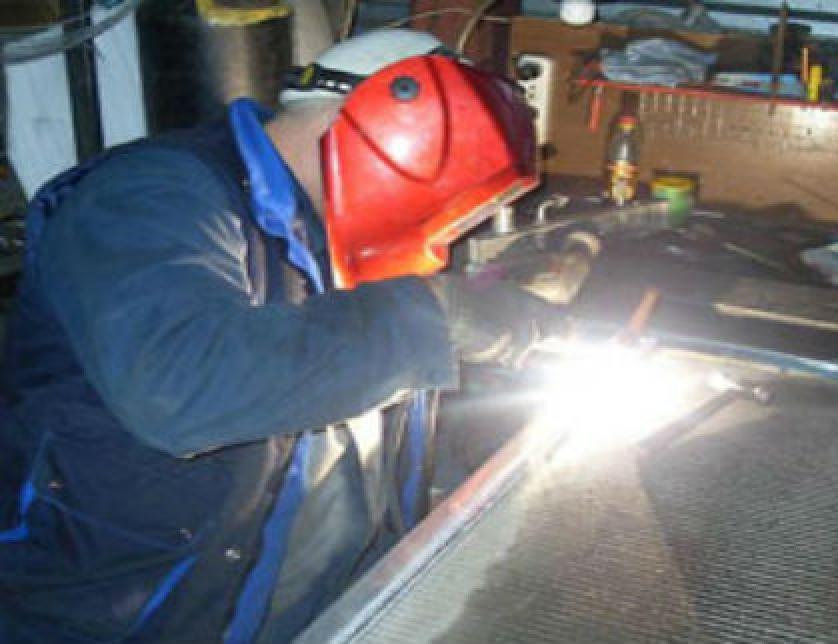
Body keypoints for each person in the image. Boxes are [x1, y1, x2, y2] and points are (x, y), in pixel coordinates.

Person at [0, 28, 554, 644]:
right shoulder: (149, 197)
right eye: (447, 209)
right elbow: (183, 387)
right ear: (395, 134)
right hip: (116, 620)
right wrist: (438, 318)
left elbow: (361, 430)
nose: (441, 241)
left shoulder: (342, 241)